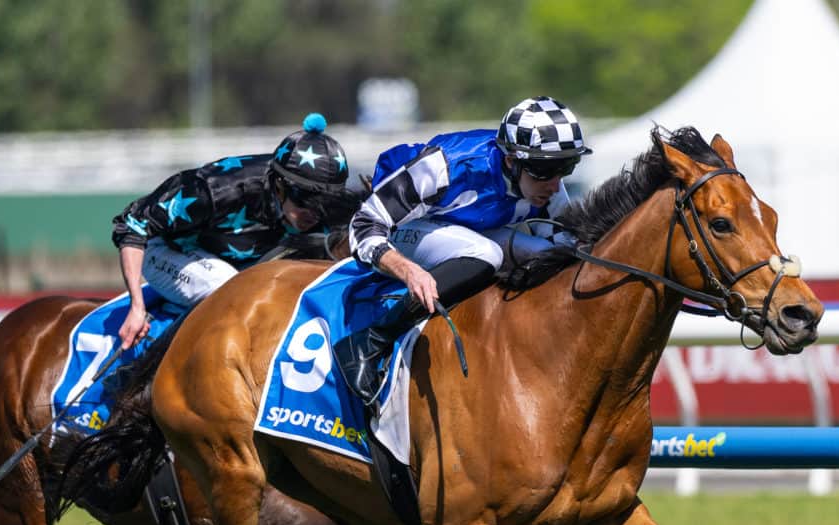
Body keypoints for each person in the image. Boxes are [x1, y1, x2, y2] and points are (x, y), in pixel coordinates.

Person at [332, 96, 593, 403]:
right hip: (404, 231)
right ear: (510, 161)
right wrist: (408, 269)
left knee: (551, 251)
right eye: (543, 170)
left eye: (566, 167)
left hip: (469, 233)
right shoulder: (445, 167)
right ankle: (369, 342)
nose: (554, 183)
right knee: (487, 255)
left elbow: (566, 242)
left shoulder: (545, 183)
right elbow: (363, 224)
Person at [111, 114, 352, 349]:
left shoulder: (313, 204)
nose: (315, 212)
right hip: (165, 247)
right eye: (306, 200)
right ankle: (142, 371)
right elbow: (131, 225)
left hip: (232, 257)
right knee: (233, 289)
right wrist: (137, 306)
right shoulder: (217, 189)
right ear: (279, 186)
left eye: (325, 202)